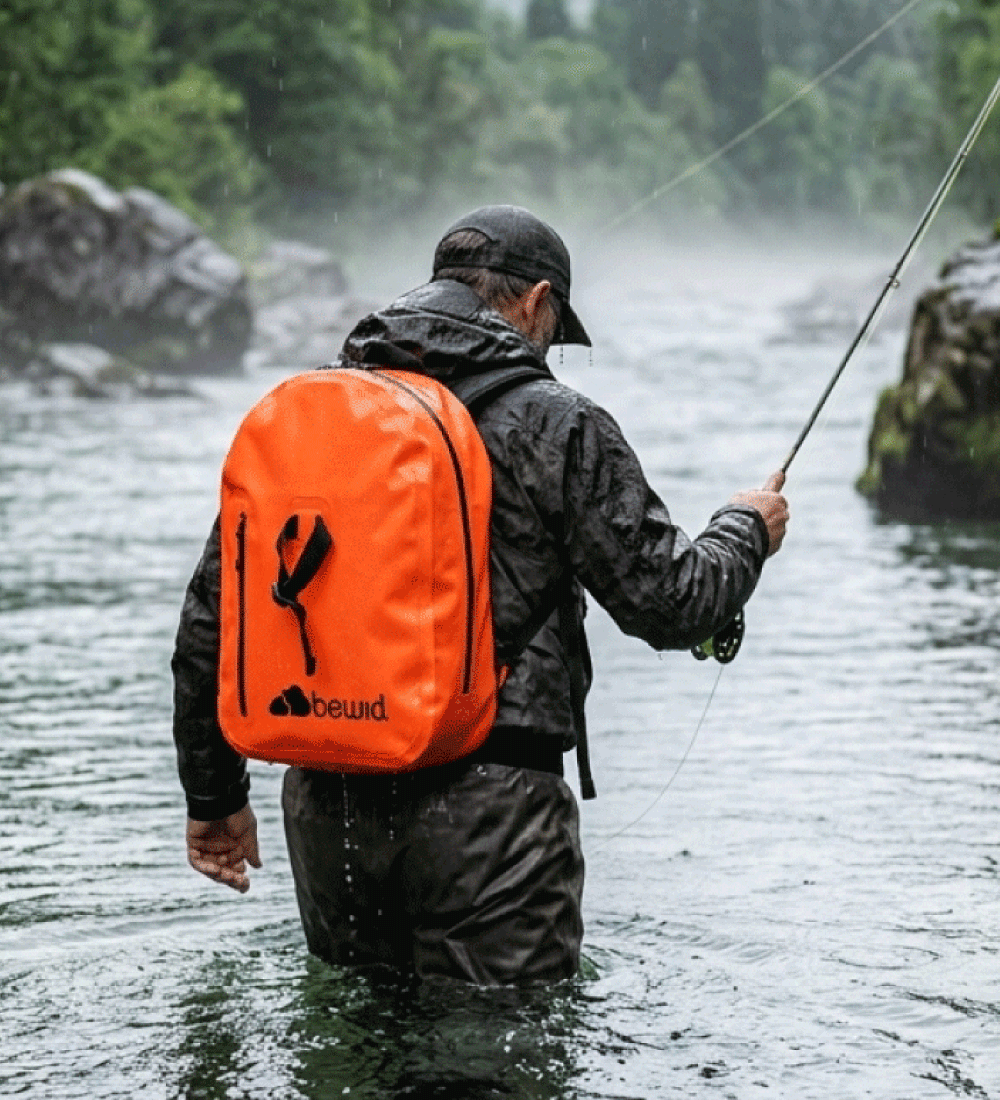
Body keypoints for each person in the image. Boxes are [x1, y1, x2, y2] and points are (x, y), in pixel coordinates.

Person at [172, 205, 789, 985]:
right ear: (536, 302)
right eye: (554, 330)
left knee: (357, 1039)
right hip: (492, 814)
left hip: (329, 806)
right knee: (507, 1044)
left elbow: (212, 622)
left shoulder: (320, 417)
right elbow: (672, 604)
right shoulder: (557, 422)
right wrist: (745, 528)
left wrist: (213, 799)